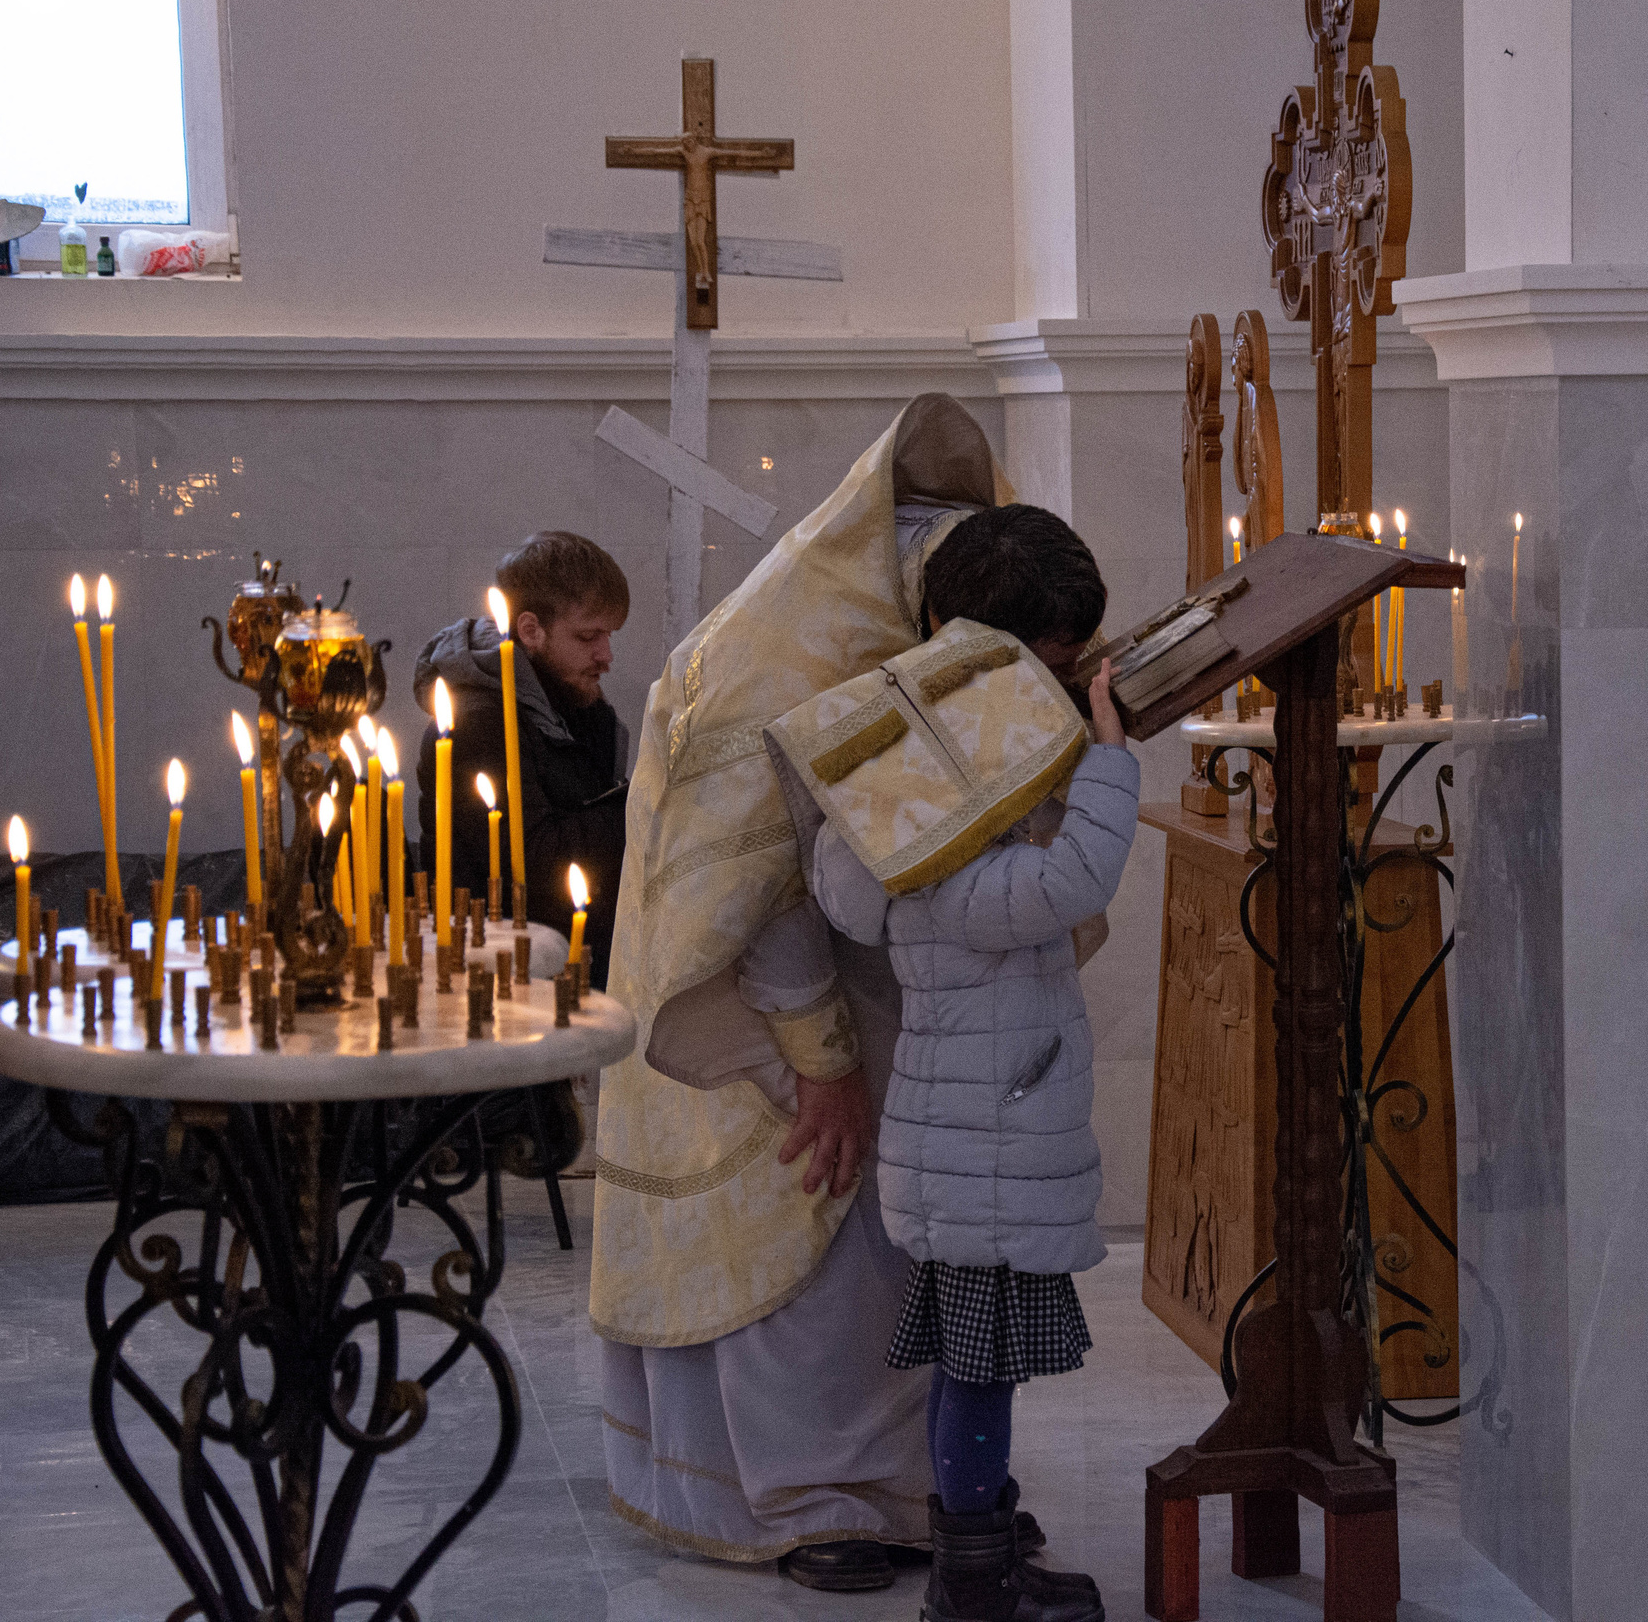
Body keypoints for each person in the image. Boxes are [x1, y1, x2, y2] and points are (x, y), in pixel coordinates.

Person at [597, 395, 1102, 1594]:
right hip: (766, 998)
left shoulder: (968, 581)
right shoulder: (795, 665)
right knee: (807, 1227)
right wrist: (816, 1063)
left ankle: (918, 1492)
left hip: (893, 977)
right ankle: (799, 1496)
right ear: (957, 627)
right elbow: (755, 892)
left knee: (895, 1248)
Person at [759, 508, 1130, 1622]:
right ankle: (970, 1577)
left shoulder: (908, 795)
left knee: (981, 1364)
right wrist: (1109, 762)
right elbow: (1063, 891)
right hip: (985, 1137)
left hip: (978, 1127)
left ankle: (980, 1549)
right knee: (975, 1370)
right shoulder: (940, 836)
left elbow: (846, 886)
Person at [412, 531, 631, 986]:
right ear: (531, 631)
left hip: (570, 960)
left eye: (609, 636)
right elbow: (532, 869)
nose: (606, 655)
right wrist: (645, 803)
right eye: (589, 636)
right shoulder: (476, 725)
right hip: (505, 979)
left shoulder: (573, 700)